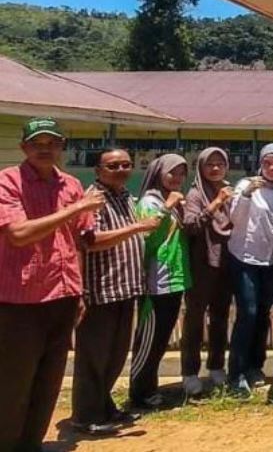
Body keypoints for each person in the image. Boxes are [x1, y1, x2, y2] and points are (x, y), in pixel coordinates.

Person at [0, 118, 104, 452]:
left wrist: (81, 289)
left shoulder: (71, 184)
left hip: (64, 296)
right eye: (37, 143)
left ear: (61, 146)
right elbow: (18, 234)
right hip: (21, 300)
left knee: (49, 381)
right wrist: (76, 207)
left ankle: (31, 444)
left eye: (52, 143)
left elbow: (80, 240)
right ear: (24, 148)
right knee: (14, 383)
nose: (45, 149)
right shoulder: (8, 182)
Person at [72, 148, 159, 435]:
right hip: (100, 289)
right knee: (94, 356)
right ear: (98, 170)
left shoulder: (122, 196)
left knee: (115, 354)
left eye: (126, 165)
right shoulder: (93, 199)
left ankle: (104, 406)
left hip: (125, 288)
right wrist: (138, 227)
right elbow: (91, 240)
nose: (121, 169)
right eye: (113, 166)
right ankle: (86, 416)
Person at [227, 143, 273, 395]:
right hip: (246, 257)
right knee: (248, 313)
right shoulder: (247, 186)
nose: (272, 168)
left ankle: (255, 367)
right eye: (267, 163)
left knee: (264, 313)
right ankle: (237, 374)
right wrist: (244, 196)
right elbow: (235, 219)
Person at [129, 153, 192, 410]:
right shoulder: (150, 202)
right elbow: (149, 237)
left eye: (181, 174)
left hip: (174, 280)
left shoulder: (169, 201)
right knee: (149, 339)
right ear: (158, 173)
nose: (177, 178)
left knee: (162, 337)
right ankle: (140, 393)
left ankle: (150, 389)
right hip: (157, 281)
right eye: (172, 173)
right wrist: (168, 208)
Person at [180, 147, 235, 396]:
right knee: (194, 318)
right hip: (201, 263)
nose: (215, 169)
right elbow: (191, 225)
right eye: (209, 164)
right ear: (200, 167)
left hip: (226, 263)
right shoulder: (195, 194)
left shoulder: (230, 192)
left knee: (221, 317)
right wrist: (216, 203)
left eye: (219, 164)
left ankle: (216, 366)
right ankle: (190, 372)